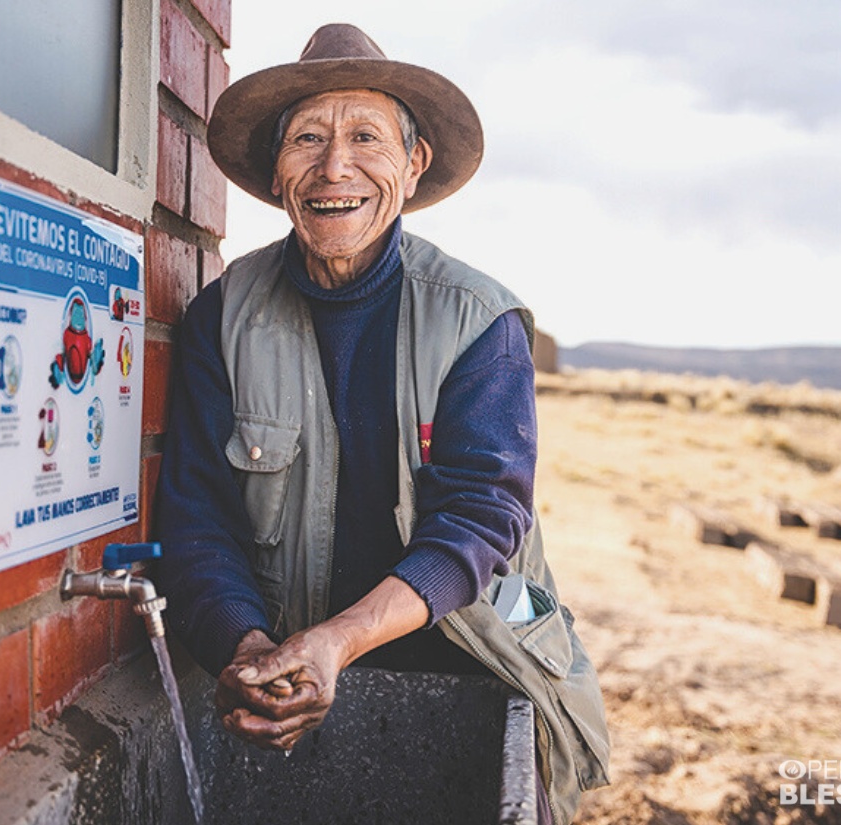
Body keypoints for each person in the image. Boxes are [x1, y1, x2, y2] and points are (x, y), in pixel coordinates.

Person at [154, 23, 609, 824]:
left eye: (366, 136)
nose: (336, 167)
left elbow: (482, 515)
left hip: (477, 664)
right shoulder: (219, 320)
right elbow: (196, 522)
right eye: (307, 139)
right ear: (275, 170)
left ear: (413, 163)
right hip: (298, 685)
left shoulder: (478, 321)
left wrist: (337, 640)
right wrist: (246, 646)